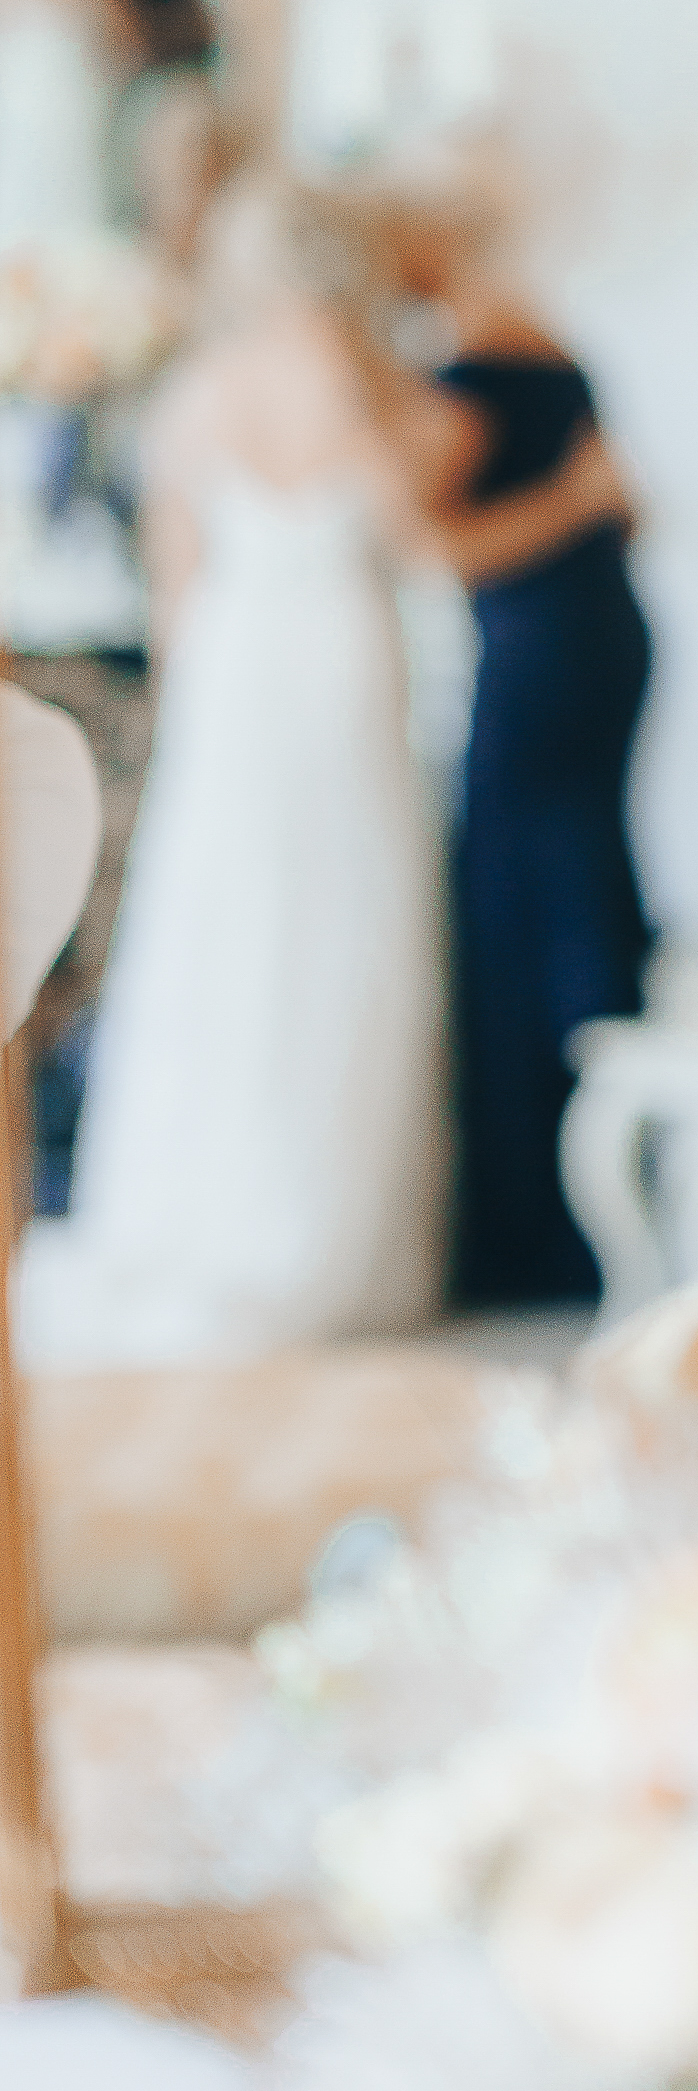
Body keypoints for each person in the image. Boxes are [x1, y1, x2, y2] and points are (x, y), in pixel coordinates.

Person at [8, 181, 592, 1365]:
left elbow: (179, 598)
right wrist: (577, 501)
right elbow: (430, 547)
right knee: (342, 930)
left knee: (224, 934)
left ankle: (195, 1213)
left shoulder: (193, 396)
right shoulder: (349, 380)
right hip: (331, 666)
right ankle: (326, 1231)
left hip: (231, 684)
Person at [373, 191, 653, 1311]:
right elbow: (624, 509)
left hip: (543, 661)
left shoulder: (469, 368)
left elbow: (444, 550)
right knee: (583, 891)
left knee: (513, 911)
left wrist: (564, 503)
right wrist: (587, 502)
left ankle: (534, 1231)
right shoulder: (553, 345)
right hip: (600, 644)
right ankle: (598, 1202)